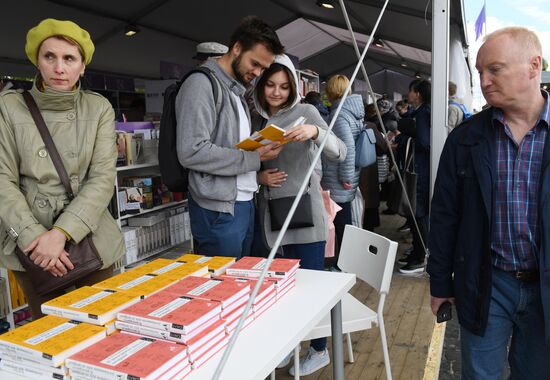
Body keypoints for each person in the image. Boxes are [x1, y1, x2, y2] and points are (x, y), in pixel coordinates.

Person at [428, 27, 550, 379]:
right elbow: (445, 215)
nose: (484, 80)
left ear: (533, 66)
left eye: (494, 69)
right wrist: (440, 283)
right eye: (479, 71)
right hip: (487, 282)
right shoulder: (467, 138)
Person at [0, 18, 125, 318]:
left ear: (82, 66)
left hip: (89, 239)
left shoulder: (98, 108)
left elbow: (102, 179)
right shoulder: (9, 106)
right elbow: (2, 179)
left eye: (69, 58)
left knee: (103, 326)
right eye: (50, 57)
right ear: (37, 62)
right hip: (33, 249)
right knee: (49, 335)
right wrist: (34, 239)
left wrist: (61, 234)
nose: (59, 68)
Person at [251, 54, 346, 376]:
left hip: (304, 215)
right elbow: (241, 163)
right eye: (270, 85)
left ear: (293, 87)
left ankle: (319, 349)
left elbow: (340, 151)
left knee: (311, 288)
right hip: (269, 217)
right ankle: (286, 343)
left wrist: (315, 132)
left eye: (283, 86)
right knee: (277, 289)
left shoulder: (306, 112)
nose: (276, 92)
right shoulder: (254, 117)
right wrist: (257, 176)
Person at [176, 16, 284, 259]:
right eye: (254, 63)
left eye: (263, 69)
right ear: (236, 48)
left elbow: (229, 146)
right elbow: (191, 151)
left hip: (241, 203)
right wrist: (254, 157)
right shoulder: (201, 85)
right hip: (218, 209)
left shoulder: (235, 91)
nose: (257, 73)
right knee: (223, 287)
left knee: (240, 285)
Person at [320, 74, 363, 267]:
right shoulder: (351, 112)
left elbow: (347, 148)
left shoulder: (340, 115)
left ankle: (344, 263)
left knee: (341, 222)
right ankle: (346, 261)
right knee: (343, 220)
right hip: (345, 176)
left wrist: (346, 177)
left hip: (339, 178)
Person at [398, 79, 431, 275]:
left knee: (418, 213)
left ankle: (421, 257)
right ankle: (418, 251)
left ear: (417, 93)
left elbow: (424, 142)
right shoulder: (422, 112)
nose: (408, 94)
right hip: (418, 168)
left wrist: (403, 138)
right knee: (416, 212)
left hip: (420, 170)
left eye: (410, 91)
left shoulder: (423, 114)